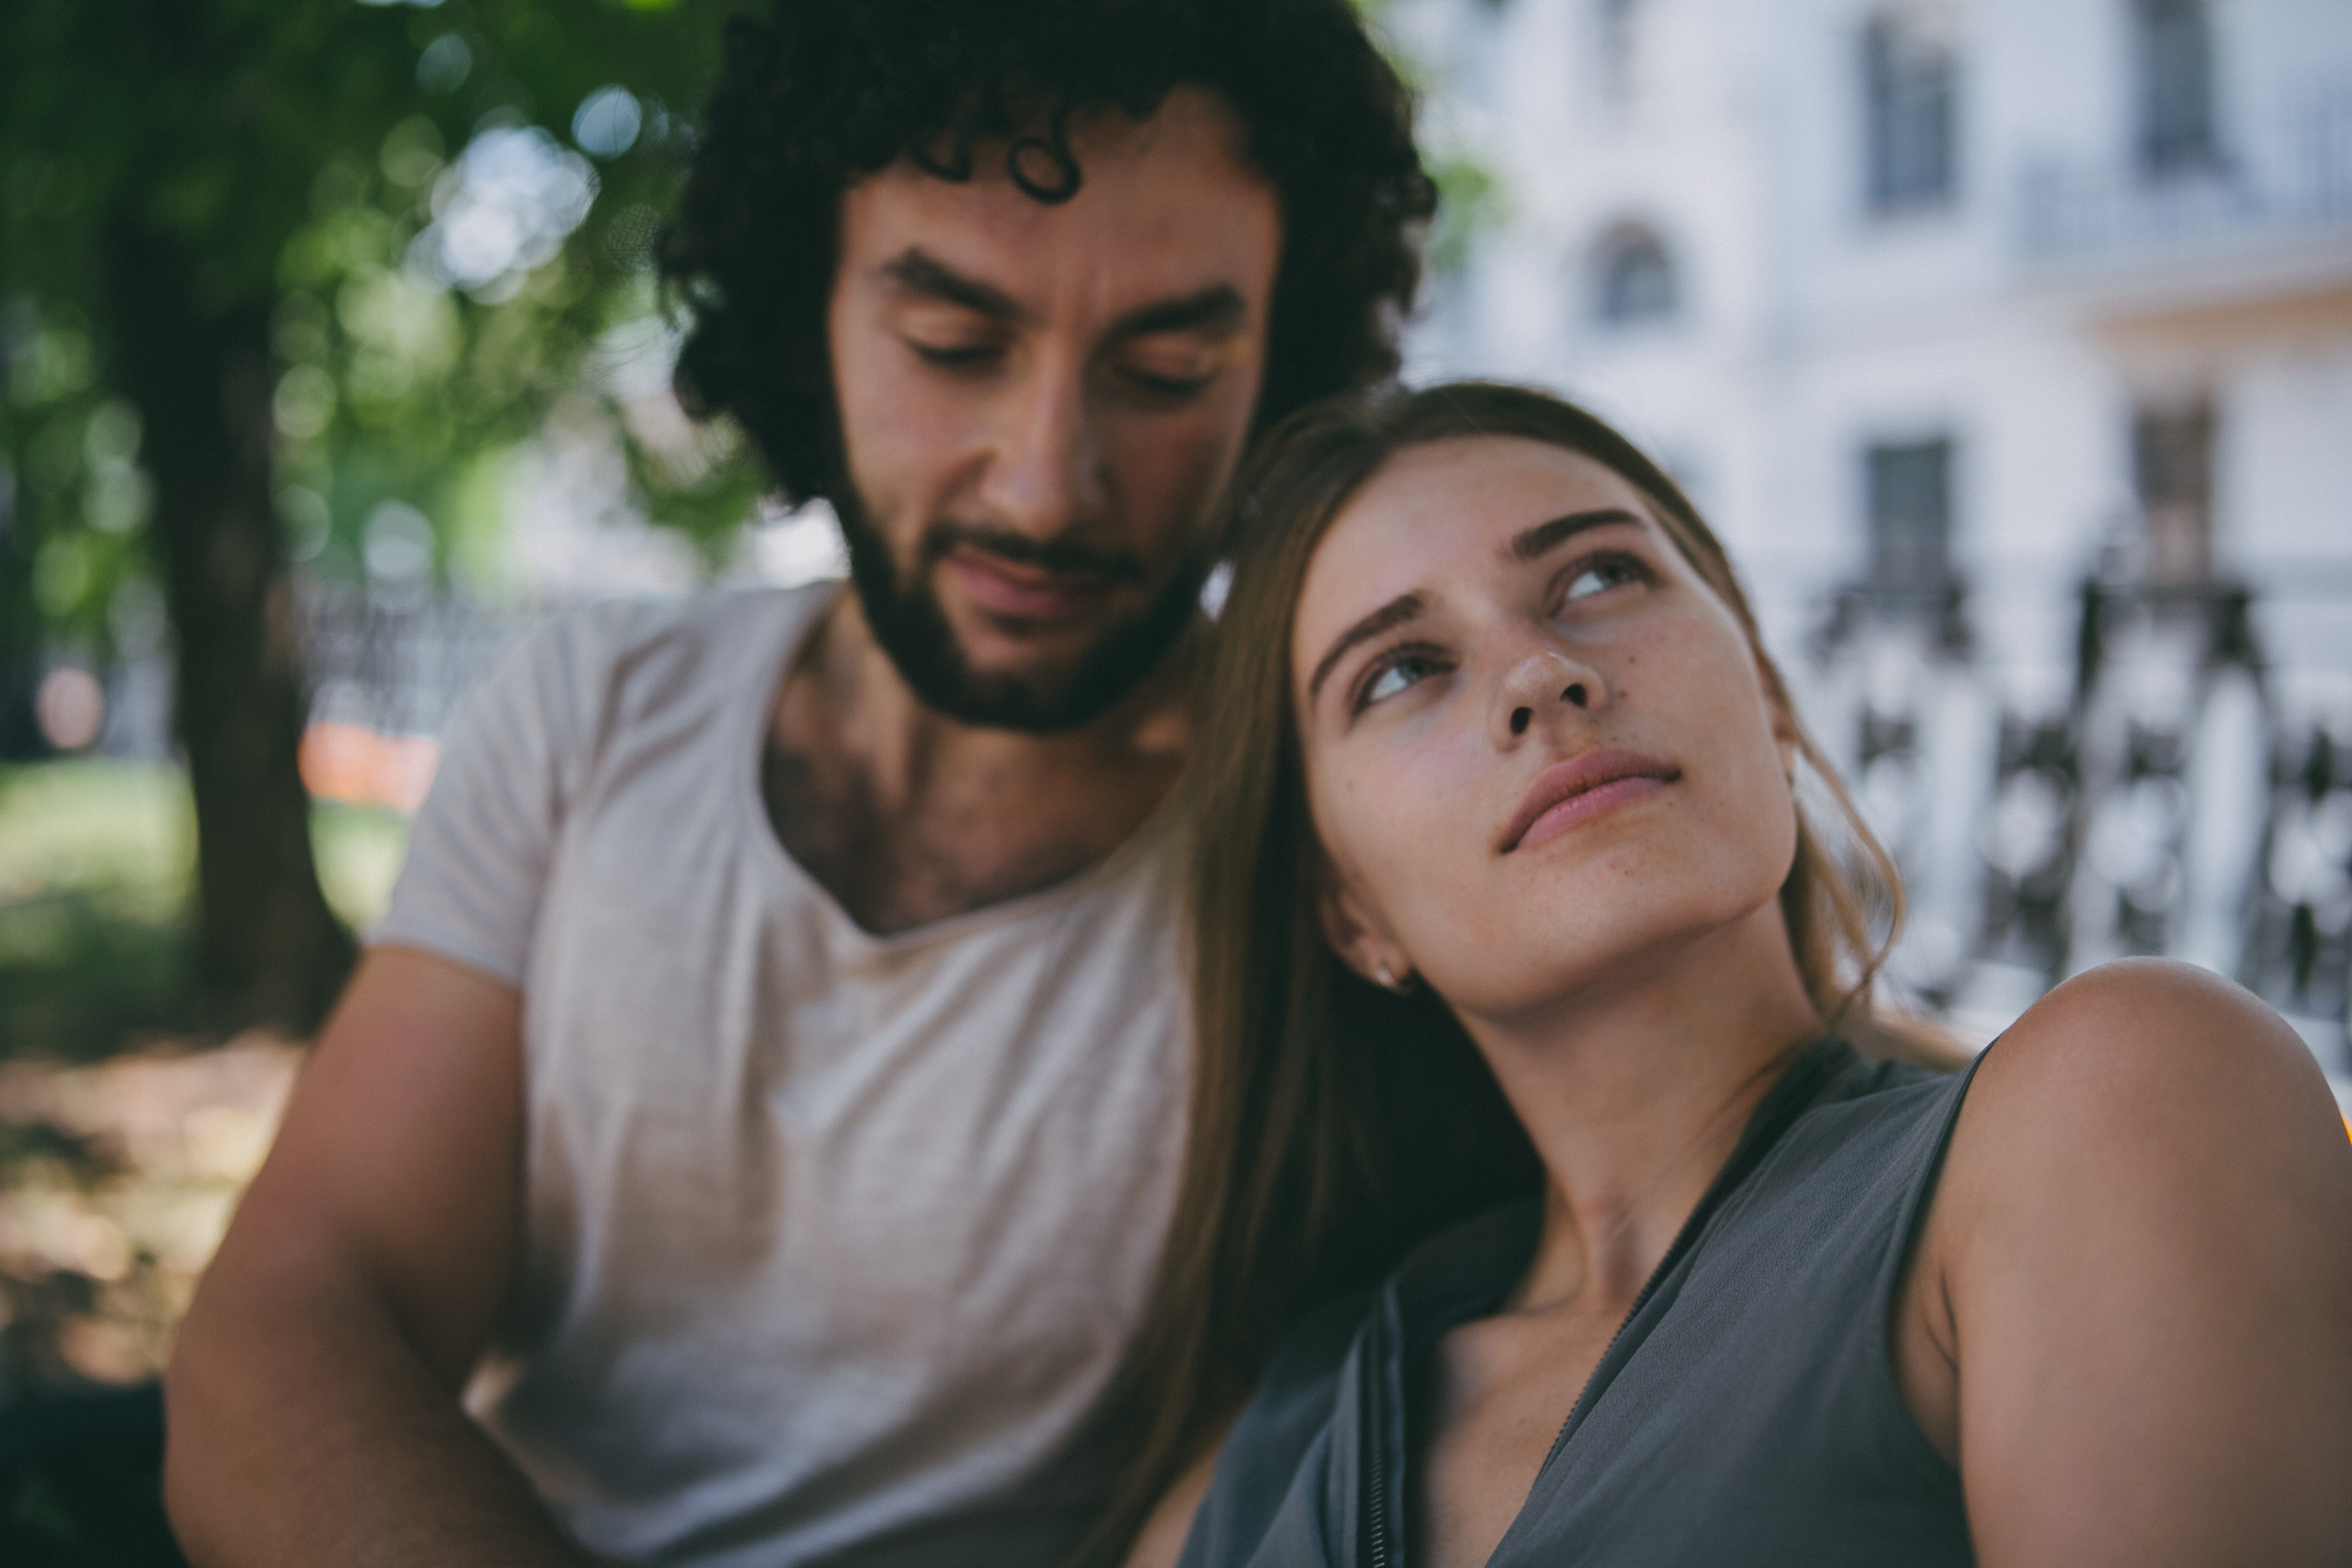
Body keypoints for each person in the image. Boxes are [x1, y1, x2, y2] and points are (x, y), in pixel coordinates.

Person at [162, 4, 1434, 1564]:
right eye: (954, 346)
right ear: (805, 316)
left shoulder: (1338, 827)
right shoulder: (593, 714)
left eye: (1166, 369)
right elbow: (291, 1324)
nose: (1045, 481)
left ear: (1280, 360)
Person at [1109, 383, 2352, 1568]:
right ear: (1348, 908)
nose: (1540, 674)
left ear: (1769, 698)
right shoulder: (1269, 1453)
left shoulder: (2104, 1112)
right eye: (1401, 669)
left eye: (1599, 575)